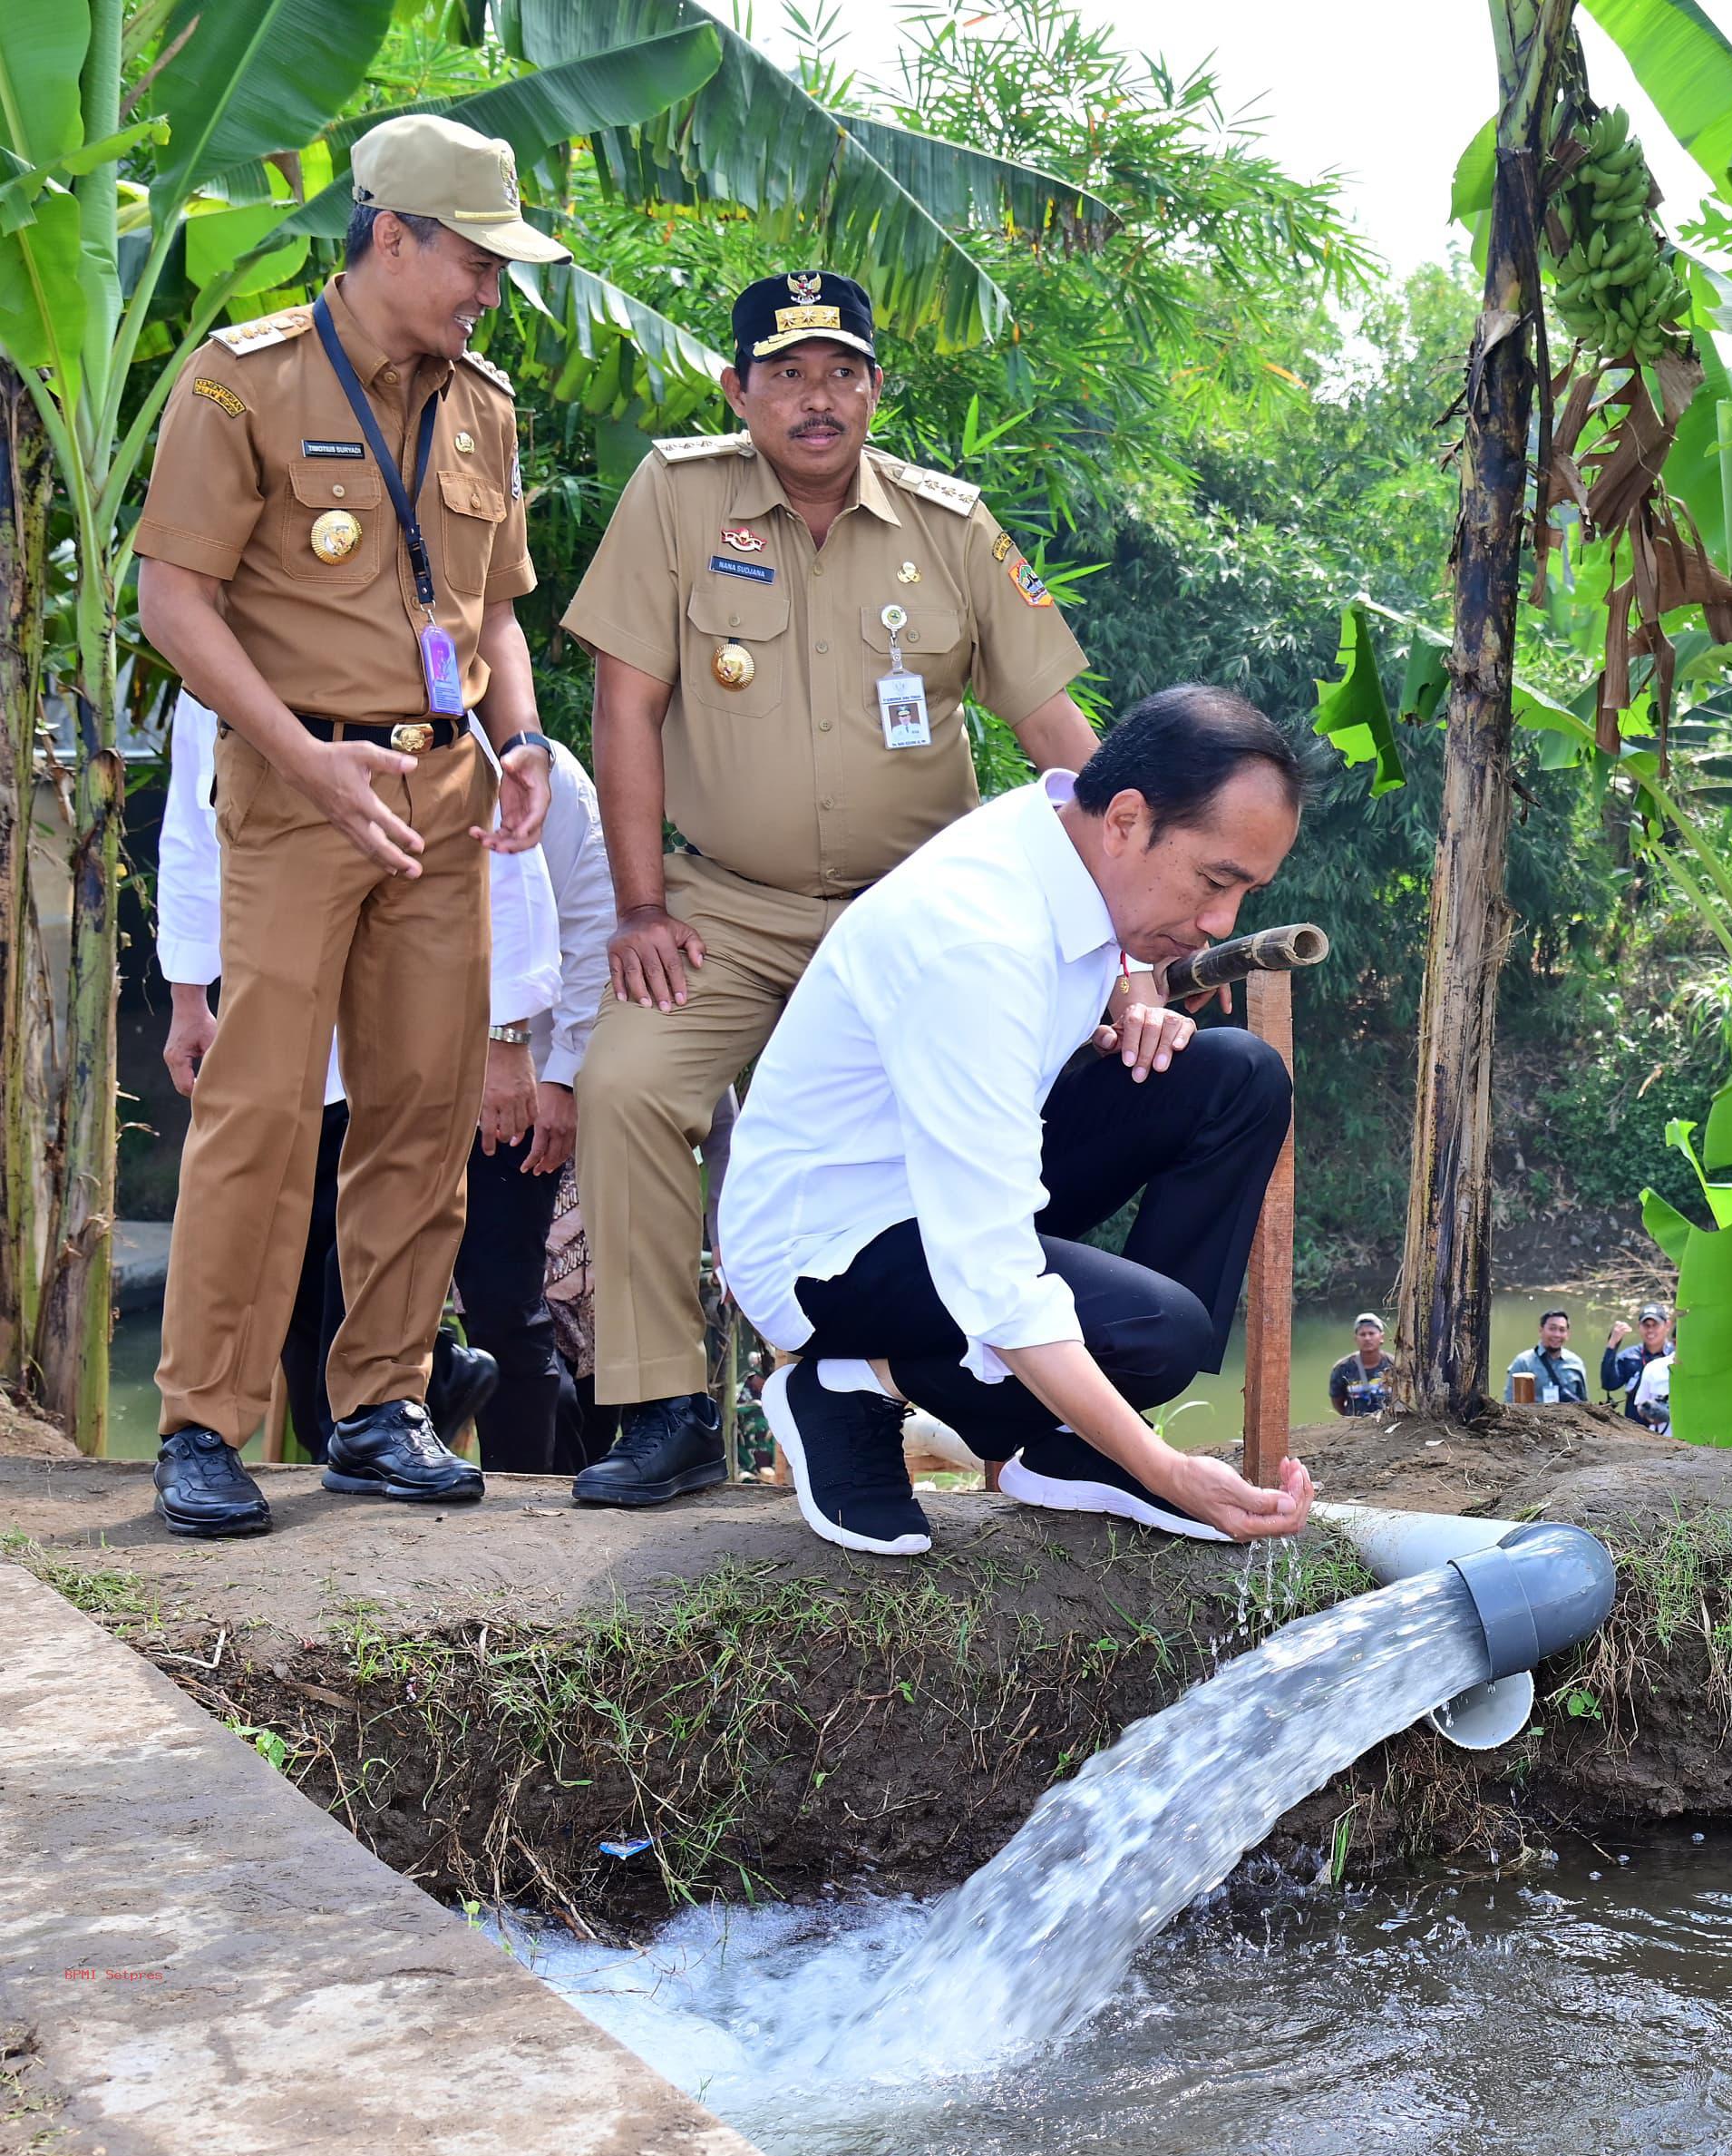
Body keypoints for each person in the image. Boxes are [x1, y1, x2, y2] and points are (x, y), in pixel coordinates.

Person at [560, 268, 1100, 1511]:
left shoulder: (949, 526)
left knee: (976, 1125)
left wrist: (1147, 891)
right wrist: (641, 907)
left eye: (844, 372)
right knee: (628, 1084)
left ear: (874, 388)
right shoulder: (674, 498)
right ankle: (662, 1410)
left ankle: (965, 1399)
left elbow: (1055, 729)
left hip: (916, 914)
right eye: (790, 373)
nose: (819, 399)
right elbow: (626, 709)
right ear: (739, 388)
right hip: (726, 907)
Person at [131, 114, 561, 1538]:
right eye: (474, 261)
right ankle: (204, 1421)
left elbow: (491, 606)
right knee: (259, 1111)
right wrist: (306, 759)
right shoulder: (243, 379)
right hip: (299, 787)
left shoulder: (482, 403)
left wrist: (522, 737)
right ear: (393, 236)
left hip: (442, 798)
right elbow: (174, 603)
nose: (488, 292)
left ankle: (382, 1403)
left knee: (423, 1105)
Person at [716, 687, 1314, 1555]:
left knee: (1235, 1075)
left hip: (941, 1184)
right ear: (1126, 820)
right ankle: (852, 1381)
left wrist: (1124, 989)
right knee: (1161, 1332)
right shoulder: (977, 939)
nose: (1221, 924)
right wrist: (1163, 1468)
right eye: (1214, 882)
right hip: (826, 1247)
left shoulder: (1064, 844)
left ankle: (1068, 1445)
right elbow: (994, 1271)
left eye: (1246, 892)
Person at [156, 693, 600, 1468]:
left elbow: (512, 871)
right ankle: (211, 1435)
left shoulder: (457, 682)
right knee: (301, 1293)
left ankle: (486, 1463)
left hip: (444, 1025)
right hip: (300, 1041)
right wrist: (190, 993)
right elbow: (193, 826)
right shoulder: (219, 665)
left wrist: (509, 1037)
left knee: (496, 1290)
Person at [1601, 1305, 1672, 1421]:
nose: (1650, 1330)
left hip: (1667, 1429)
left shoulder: (1674, 1358)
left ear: (1667, 1325)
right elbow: (1609, 1384)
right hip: (1635, 1429)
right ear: (1638, 1326)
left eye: (1655, 1325)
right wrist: (1612, 1345)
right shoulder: (1629, 1356)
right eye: (1646, 1325)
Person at [1507, 1312, 1590, 1405]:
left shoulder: (1576, 1363)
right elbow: (1509, 1402)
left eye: (1562, 1330)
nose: (1557, 1335)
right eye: (1552, 1329)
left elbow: (1584, 1404)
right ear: (1541, 1330)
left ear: (1567, 1334)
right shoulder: (1523, 1363)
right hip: (1533, 1418)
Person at [1329, 1312, 1392, 1418]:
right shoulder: (1342, 1368)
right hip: (1356, 1426)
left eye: (1371, 1333)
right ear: (1356, 1339)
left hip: (1389, 1424)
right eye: (1362, 1334)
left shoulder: (1394, 1365)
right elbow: (1337, 1401)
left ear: (1381, 1337)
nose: (1367, 1338)